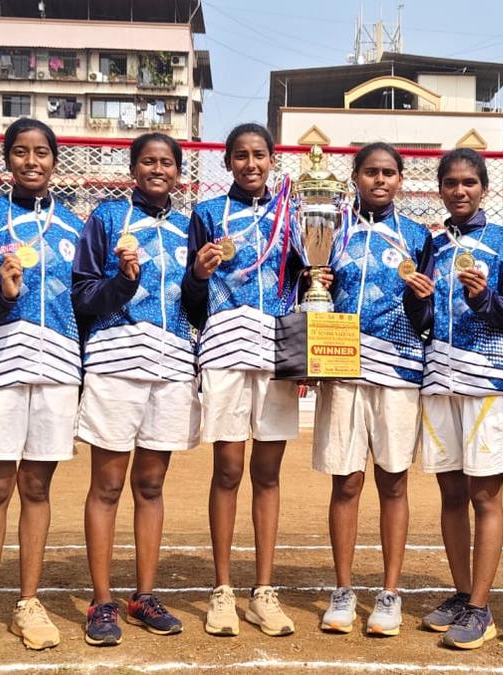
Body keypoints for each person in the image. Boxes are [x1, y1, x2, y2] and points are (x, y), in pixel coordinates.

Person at [0, 117, 84, 657]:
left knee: (37, 488)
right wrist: (3, 299)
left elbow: (87, 301)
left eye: (42, 153)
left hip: (57, 368)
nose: (32, 162)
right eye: (21, 153)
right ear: (6, 160)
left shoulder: (77, 226)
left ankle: (28, 601)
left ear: (55, 161)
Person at [72, 132, 199, 645]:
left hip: (170, 364)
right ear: (133, 168)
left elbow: (194, 303)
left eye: (167, 162)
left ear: (178, 172)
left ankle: (143, 596)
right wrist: (122, 283)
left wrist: (201, 279)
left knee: (151, 485)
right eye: (148, 161)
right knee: (107, 485)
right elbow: (83, 294)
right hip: (116, 360)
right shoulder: (107, 219)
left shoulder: (190, 228)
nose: (157, 169)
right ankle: (102, 601)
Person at [183, 123, 302, 637]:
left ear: (272, 159)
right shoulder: (207, 214)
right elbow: (192, 298)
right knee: (228, 469)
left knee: (269, 473)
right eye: (240, 156)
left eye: (259, 155)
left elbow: (311, 276)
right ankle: (223, 589)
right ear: (227, 162)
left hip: (278, 349)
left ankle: (264, 590)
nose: (251, 164)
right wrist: (200, 274)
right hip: (226, 349)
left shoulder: (294, 214)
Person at [315, 142, 433, 638]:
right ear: (355, 177)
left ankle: (389, 592)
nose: (379, 180)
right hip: (342, 367)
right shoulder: (330, 229)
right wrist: (313, 279)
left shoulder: (418, 237)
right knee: (345, 480)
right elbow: (314, 293)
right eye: (370, 172)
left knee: (393, 481)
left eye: (388, 172)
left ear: (400, 180)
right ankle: (343, 590)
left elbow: (428, 316)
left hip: (401, 369)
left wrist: (422, 302)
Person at [419, 148, 503, 650]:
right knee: (451, 494)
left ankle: (481, 606)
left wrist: (484, 297)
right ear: (440, 187)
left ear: (484, 187)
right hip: (438, 378)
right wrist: (416, 301)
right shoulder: (431, 244)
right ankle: (462, 593)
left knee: (485, 495)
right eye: (450, 182)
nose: (459, 190)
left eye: (469, 182)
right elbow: (422, 319)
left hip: (487, 381)